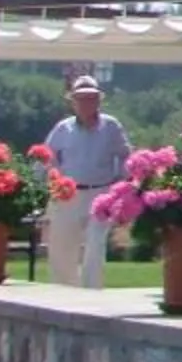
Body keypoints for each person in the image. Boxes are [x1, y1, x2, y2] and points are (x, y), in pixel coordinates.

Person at [42, 75, 131, 289]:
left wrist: (119, 183)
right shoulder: (63, 128)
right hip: (68, 194)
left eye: (90, 98)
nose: (85, 103)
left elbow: (126, 154)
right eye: (80, 99)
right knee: (62, 246)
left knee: (95, 245)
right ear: (73, 102)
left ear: (99, 100)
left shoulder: (111, 126)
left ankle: (91, 292)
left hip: (100, 193)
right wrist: (53, 179)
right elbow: (47, 156)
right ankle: (63, 292)